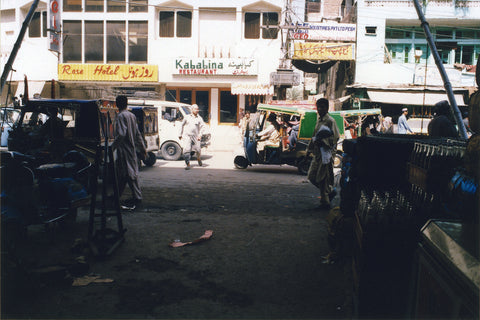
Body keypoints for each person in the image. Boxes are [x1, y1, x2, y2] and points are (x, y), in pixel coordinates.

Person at [112, 95, 147, 210]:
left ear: (117, 104)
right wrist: (143, 149)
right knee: (124, 175)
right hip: (131, 150)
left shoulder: (121, 116)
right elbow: (138, 134)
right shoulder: (131, 116)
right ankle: (116, 197)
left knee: (129, 175)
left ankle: (137, 198)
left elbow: (121, 134)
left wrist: (112, 148)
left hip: (124, 150)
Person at [307, 98, 340, 209]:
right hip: (317, 154)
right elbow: (314, 135)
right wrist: (309, 150)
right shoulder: (319, 121)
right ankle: (330, 191)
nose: (320, 109)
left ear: (327, 108)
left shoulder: (331, 121)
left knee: (323, 178)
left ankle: (325, 202)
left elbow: (335, 138)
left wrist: (323, 142)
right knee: (312, 176)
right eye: (318, 107)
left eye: (322, 107)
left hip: (326, 154)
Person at [179, 104, 206, 170]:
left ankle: (198, 158)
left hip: (196, 136)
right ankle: (188, 164)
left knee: (198, 149)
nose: (197, 110)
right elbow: (181, 125)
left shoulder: (199, 118)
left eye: (198, 109)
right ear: (192, 110)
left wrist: (200, 135)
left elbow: (203, 127)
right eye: (196, 109)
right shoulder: (187, 117)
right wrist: (180, 134)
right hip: (187, 136)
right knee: (186, 150)